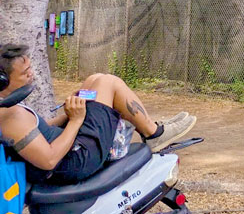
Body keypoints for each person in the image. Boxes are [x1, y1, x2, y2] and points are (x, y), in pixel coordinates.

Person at [0, 44, 196, 185]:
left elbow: (38, 132)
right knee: (108, 82)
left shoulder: (9, 107)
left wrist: (68, 114)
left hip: (70, 151)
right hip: (76, 160)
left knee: (93, 81)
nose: (32, 74)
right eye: (25, 73)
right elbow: (49, 160)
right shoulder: (10, 116)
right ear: (2, 81)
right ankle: (154, 134)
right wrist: (75, 121)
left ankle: (151, 127)